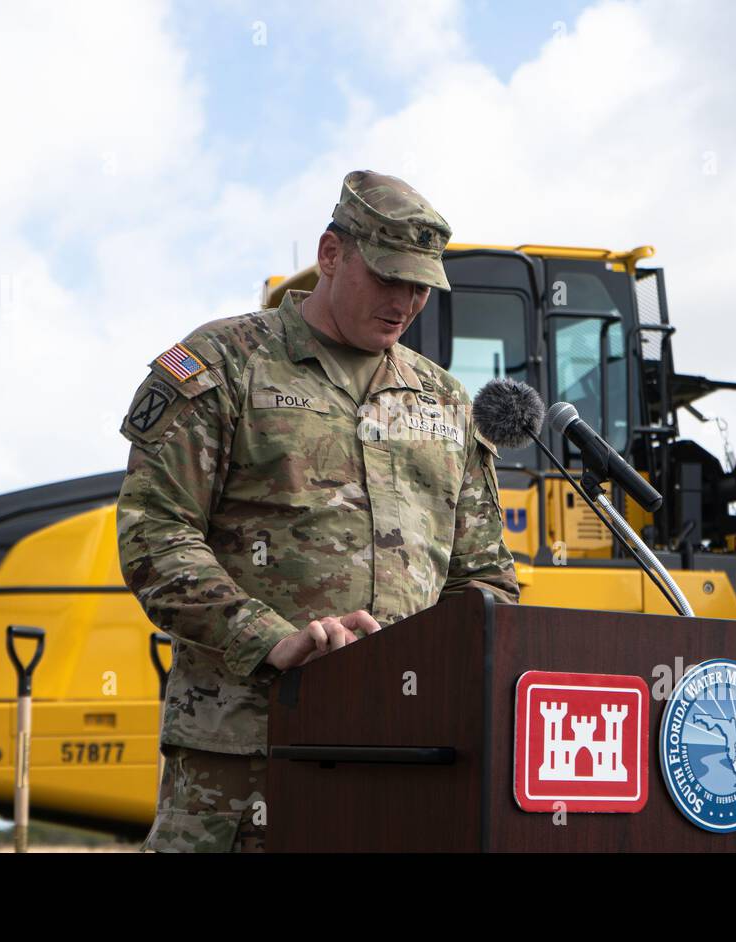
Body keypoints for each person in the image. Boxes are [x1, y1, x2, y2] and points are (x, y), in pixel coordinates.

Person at [115, 170, 520, 852]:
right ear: (331, 255)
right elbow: (154, 533)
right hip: (247, 760)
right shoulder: (225, 365)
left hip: (405, 760)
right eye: (389, 278)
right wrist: (268, 638)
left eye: (421, 286)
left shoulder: (446, 403)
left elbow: (483, 577)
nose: (406, 302)